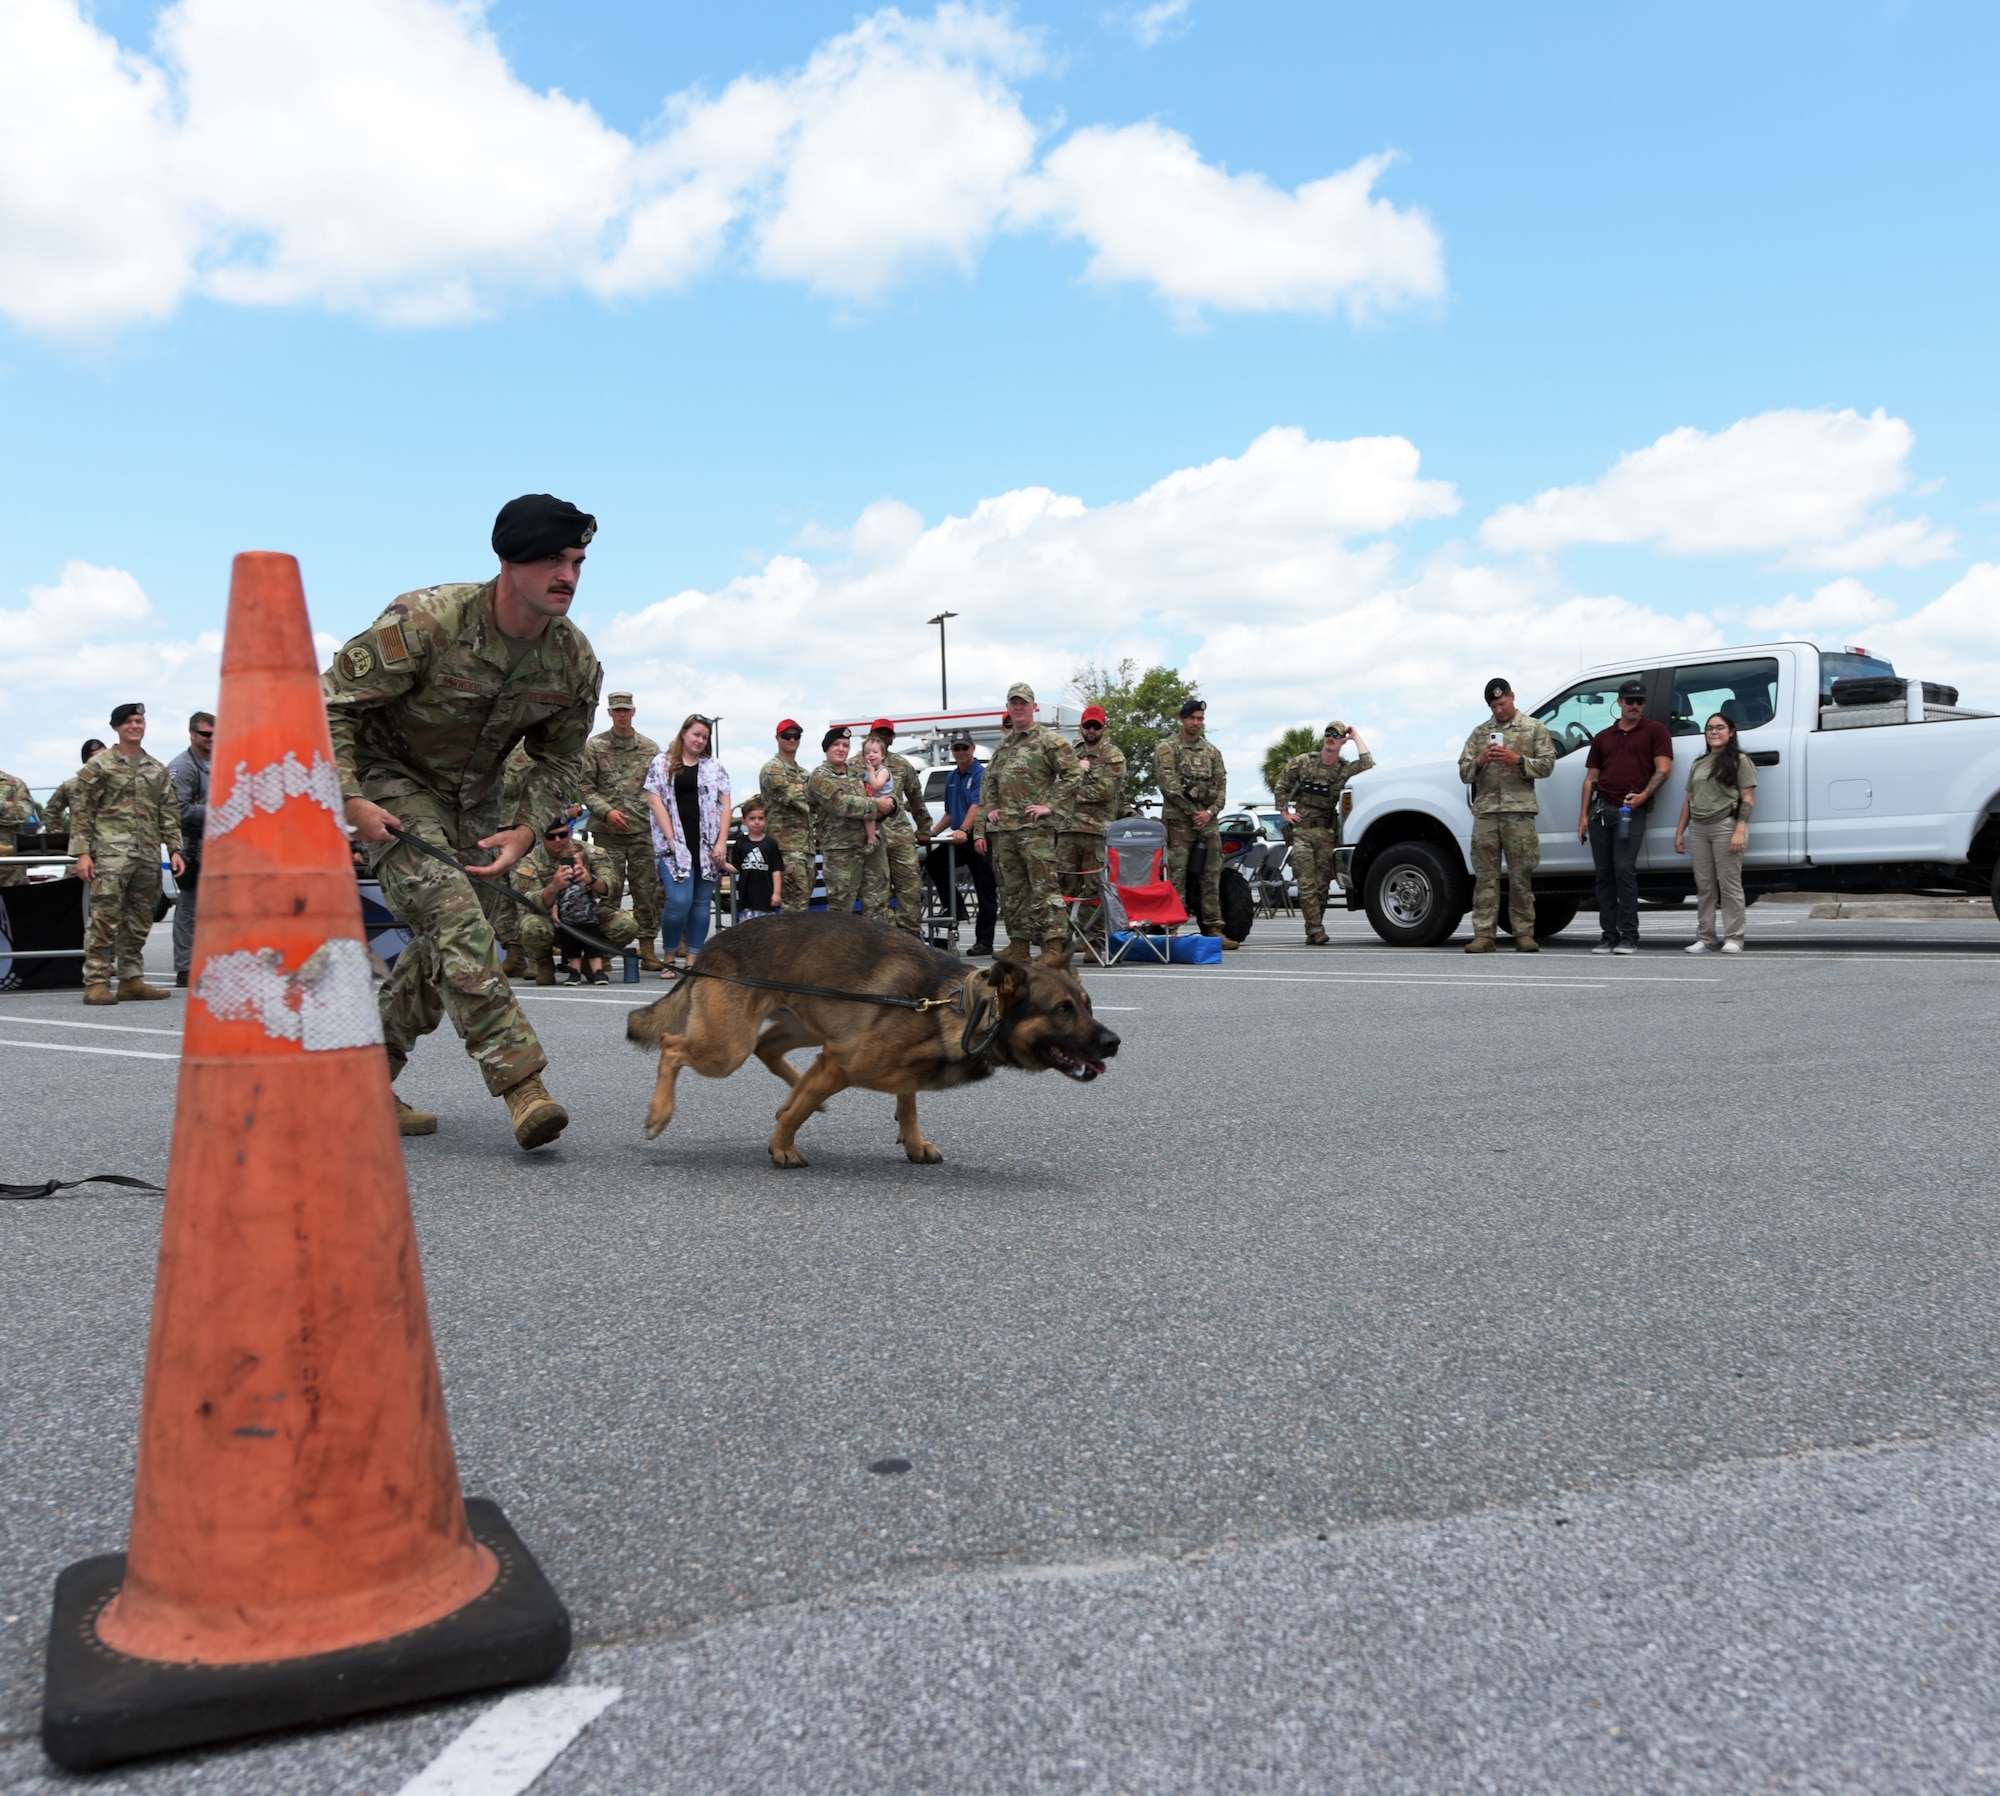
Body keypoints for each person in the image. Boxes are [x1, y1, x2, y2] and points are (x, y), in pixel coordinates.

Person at [326, 492, 601, 1149]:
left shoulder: (573, 662)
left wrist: (529, 830)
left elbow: (561, 760)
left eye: (578, 561)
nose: (567, 575)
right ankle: (523, 1086)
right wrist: (350, 797)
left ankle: (359, 1084)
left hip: (476, 803)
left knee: (443, 949)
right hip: (391, 786)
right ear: (508, 562)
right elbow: (330, 703)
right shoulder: (427, 620)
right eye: (551, 561)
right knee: (457, 923)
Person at [68, 703, 185, 1003]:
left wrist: (174, 849)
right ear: (116, 727)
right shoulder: (99, 766)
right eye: (129, 721)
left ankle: (131, 979)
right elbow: (82, 812)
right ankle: (95, 982)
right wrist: (82, 853)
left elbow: (168, 812)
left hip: (146, 855)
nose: (136, 725)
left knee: (140, 919)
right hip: (110, 855)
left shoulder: (155, 768)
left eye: (140, 720)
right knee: (105, 919)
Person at [1456, 678, 1556, 953]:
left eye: (1502, 703)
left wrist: (1519, 760)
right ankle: (1484, 935)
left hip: (1519, 812)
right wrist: (1480, 760)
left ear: (1512, 696)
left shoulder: (1534, 728)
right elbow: (1464, 771)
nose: (1499, 710)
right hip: (1487, 813)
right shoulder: (1480, 733)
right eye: (1493, 705)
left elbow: (1548, 765)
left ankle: (1524, 933)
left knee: (1520, 875)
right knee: (1485, 876)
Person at [1579, 676, 1674, 954]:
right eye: (1630, 701)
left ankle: (1629, 935)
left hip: (1630, 810)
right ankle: (1608, 935)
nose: (1635, 705)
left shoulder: (1656, 731)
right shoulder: (1603, 737)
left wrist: (1644, 796)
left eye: (1640, 701)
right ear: (1619, 702)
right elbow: (1590, 779)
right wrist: (1582, 816)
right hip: (1600, 811)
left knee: (1624, 871)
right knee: (1604, 875)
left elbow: (1664, 769)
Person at [984, 682, 1078, 963]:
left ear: (1033, 707)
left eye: (1023, 703)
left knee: (1044, 889)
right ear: (1008, 707)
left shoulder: (1048, 740)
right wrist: (991, 808)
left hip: (1035, 832)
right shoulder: (1005, 744)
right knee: (1013, 892)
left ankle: (1053, 946)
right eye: (1013, 703)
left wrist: (1051, 807)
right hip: (1007, 832)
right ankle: (1020, 945)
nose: (1018, 707)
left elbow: (1073, 774)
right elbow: (990, 779)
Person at [582, 691, 665, 970]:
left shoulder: (650, 748)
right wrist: (607, 811)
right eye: (617, 710)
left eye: (625, 710)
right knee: (608, 891)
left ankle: (647, 946)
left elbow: (659, 787)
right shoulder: (594, 747)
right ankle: (604, 950)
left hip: (643, 831)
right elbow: (584, 787)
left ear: (633, 712)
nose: (621, 714)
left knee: (646, 891)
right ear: (609, 712)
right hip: (607, 833)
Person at [1274, 721, 1376, 945]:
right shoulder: (1304, 762)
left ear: (1342, 741)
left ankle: (1313, 930)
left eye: (1336, 735)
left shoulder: (1344, 768)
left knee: (1321, 885)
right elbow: (1281, 785)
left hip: (1326, 833)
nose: (1330, 738)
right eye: (1327, 734)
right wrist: (1284, 813)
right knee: (1306, 883)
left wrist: (1356, 735)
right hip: (1302, 831)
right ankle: (1316, 929)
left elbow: (1369, 764)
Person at [644, 713, 731, 973]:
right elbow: (654, 800)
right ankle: (670, 957)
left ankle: (693, 960)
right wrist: (671, 838)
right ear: (684, 733)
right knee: (679, 900)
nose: (699, 740)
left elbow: (725, 806)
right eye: (696, 734)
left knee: (702, 904)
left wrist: (722, 842)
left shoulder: (714, 767)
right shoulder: (662, 763)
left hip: (706, 845)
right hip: (673, 846)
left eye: (704, 737)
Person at [511, 817, 638, 984]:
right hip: (552, 921)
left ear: (569, 832)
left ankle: (590, 961)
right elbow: (527, 902)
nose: (558, 840)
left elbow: (611, 884)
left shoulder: (590, 853)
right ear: (542, 837)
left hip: (587, 917)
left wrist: (590, 880)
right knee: (530, 926)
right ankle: (543, 963)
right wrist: (553, 887)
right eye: (551, 837)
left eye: (563, 835)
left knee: (626, 924)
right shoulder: (531, 861)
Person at [1675, 712, 1757, 954]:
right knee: (1705, 886)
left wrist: (1740, 830)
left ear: (1731, 732)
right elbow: (1688, 799)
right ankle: (1706, 937)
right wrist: (1680, 832)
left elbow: (1748, 797)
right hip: (1699, 828)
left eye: (1720, 727)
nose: (1714, 732)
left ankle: (1734, 937)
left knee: (1729, 884)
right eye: (1709, 728)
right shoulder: (1698, 763)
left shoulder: (1740, 761)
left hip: (1726, 825)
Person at [1157, 697, 1234, 945]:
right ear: (1182, 719)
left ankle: (1214, 929)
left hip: (1208, 823)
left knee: (1212, 876)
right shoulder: (1168, 748)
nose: (1196, 723)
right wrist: (1192, 812)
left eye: (1200, 719)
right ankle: (1173, 930)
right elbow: (1169, 786)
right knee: (1176, 876)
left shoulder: (1212, 752)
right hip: (1179, 823)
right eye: (1192, 718)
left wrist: (1209, 812)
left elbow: (1221, 788)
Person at [1055, 703, 1126, 948]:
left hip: (1096, 832)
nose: (1092, 730)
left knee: (1094, 887)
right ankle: (1062, 941)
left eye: (1096, 726)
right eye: (1088, 726)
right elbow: (1053, 783)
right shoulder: (1070, 754)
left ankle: (1093, 941)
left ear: (1104, 728)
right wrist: (1074, 770)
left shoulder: (1113, 756)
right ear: (1081, 727)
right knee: (1065, 884)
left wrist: (1071, 786)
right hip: (1067, 830)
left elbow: (1104, 792)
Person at [808, 726, 892, 919]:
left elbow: (881, 796)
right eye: (836, 744)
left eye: (845, 745)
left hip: (872, 848)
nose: (841, 749)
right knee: (841, 909)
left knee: (878, 904)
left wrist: (891, 804)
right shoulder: (820, 776)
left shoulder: (858, 773)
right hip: (842, 851)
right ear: (826, 748)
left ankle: (876, 949)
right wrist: (876, 804)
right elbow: (840, 804)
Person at [862, 719, 934, 935]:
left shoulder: (903, 765)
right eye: (878, 733)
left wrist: (924, 827)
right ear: (869, 735)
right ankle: (881, 940)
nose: (883, 738)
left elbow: (915, 798)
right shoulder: (856, 764)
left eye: (887, 734)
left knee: (910, 888)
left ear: (892, 739)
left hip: (900, 836)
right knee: (876, 892)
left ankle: (910, 937)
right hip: (871, 835)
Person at [930, 731, 994, 955]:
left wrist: (964, 830)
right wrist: (931, 833)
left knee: (984, 889)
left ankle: (984, 942)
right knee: (933, 861)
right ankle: (956, 908)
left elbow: (976, 807)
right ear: (952, 751)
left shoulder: (980, 774)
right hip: (960, 838)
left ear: (972, 748)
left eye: (964, 748)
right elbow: (949, 813)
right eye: (956, 749)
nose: (961, 752)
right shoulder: (951, 777)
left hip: (979, 837)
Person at [164, 711, 214, 986]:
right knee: (190, 908)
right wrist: (218, 812)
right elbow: (177, 810)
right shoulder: (182, 767)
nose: (212, 739)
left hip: (220, 844)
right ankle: (186, 968)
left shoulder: (220, 760)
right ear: (193, 734)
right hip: (192, 845)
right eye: (206, 734)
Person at [759, 719, 815, 913]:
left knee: (802, 905)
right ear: (777, 738)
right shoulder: (772, 769)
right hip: (785, 849)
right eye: (786, 736)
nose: (792, 739)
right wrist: (805, 790)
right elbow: (796, 798)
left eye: (796, 736)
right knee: (793, 908)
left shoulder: (804, 772)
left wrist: (803, 789)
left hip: (805, 849)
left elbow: (817, 801)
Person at [728, 798, 785, 920]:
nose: (757, 822)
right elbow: (736, 868)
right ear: (744, 821)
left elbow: (776, 870)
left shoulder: (771, 844)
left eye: (760, 818)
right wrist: (721, 863)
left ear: (766, 820)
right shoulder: (740, 843)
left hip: (766, 901)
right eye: (752, 818)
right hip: (746, 902)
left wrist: (777, 893)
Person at [36, 740, 107, 838]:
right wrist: (58, 836)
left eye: (103, 755)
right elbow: (50, 811)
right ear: (86, 761)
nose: (100, 761)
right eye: (95, 757)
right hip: (82, 844)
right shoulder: (71, 786)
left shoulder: (120, 783)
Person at [0, 763, 32, 889]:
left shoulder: (14, 783)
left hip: (9, 866)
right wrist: (3, 806)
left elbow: (21, 815)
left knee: (17, 906)